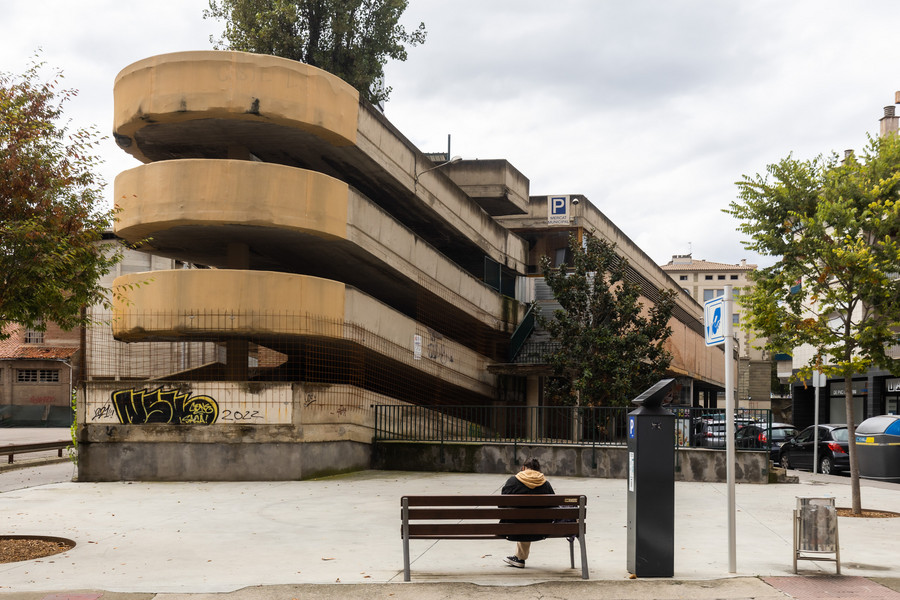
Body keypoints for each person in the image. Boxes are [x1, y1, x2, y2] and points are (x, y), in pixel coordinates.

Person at [500, 457, 554, 569]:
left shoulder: (512, 481)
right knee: (530, 518)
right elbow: (554, 507)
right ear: (538, 470)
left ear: (523, 468)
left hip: (511, 526)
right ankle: (519, 557)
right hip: (541, 528)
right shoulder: (546, 484)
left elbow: (501, 505)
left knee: (521, 518)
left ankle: (519, 558)